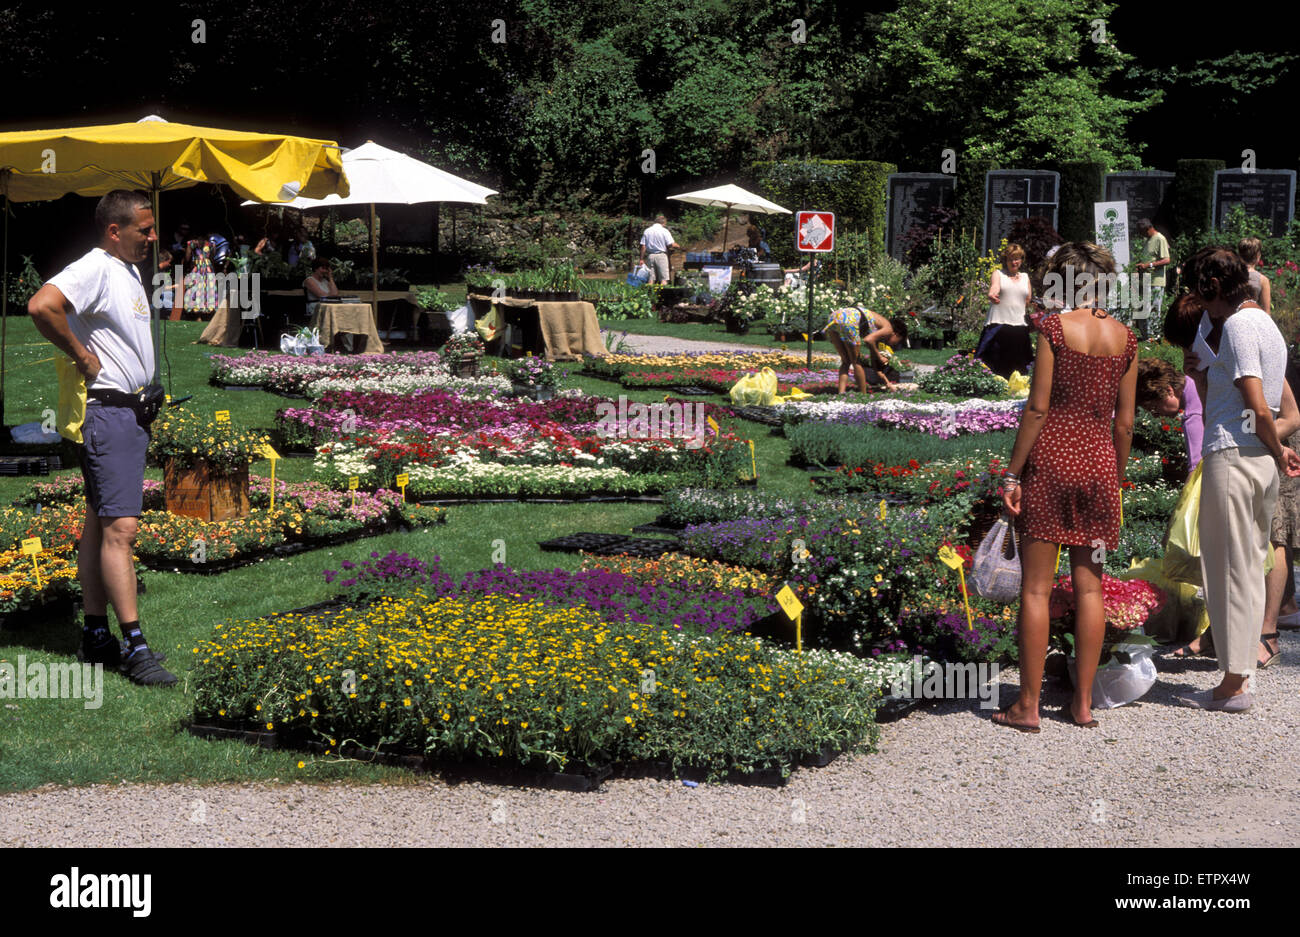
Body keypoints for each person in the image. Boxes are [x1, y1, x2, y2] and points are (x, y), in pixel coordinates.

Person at [25, 189, 177, 686]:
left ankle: (95, 635)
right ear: (115, 231)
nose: (153, 237)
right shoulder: (95, 267)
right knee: (121, 530)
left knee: (99, 523)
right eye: (144, 230)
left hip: (127, 415)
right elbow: (42, 305)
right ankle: (135, 646)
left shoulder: (125, 269)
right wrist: (82, 355)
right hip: (109, 414)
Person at [995, 241, 1138, 732]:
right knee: (1090, 588)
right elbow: (1125, 424)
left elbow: (1037, 408)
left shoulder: (1054, 329)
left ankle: (1027, 705)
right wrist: (1115, 477)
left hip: (1052, 464)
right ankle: (1083, 704)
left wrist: (1012, 473)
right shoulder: (1126, 338)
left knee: (1036, 589)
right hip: (1099, 468)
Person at [1175, 246, 1300, 712]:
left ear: (1211, 287)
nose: (1196, 301)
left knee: (1227, 570)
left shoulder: (1239, 325)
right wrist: (1276, 447)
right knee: (1246, 568)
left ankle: (1232, 684)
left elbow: (1256, 403)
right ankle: (1239, 675)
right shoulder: (1267, 324)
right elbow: (1263, 406)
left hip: (1234, 458)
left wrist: (1275, 446)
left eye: (1197, 290)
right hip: (1255, 459)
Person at [976, 242, 1034, 379]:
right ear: (1005, 260)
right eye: (1010, 259)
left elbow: (1028, 300)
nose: (1014, 262)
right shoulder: (998, 274)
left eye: (1017, 258)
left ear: (1021, 260)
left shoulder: (1025, 277)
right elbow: (994, 288)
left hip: (1019, 327)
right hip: (998, 325)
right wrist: (992, 295)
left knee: (1020, 370)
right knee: (991, 368)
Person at [823, 306, 908, 393]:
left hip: (834, 317)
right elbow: (868, 340)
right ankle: (863, 394)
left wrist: (887, 383)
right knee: (856, 362)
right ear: (896, 334)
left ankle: (841, 393)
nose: (894, 344)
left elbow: (874, 364)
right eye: (898, 341)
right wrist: (880, 357)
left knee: (846, 361)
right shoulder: (888, 329)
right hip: (849, 319)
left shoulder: (879, 332)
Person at [1134, 218, 1171, 339]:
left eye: (1141, 232)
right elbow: (1148, 259)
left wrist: (1148, 265)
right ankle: (1146, 336)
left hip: (1156, 281)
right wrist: (1140, 266)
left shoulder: (1160, 238)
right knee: (1145, 308)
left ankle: (1154, 337)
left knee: (1154, 308)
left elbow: (1166, 260)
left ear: (1148, 229)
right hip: (1146, 280)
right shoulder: (1147, 240)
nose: (1141, 235)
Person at [183, 232, 219, 317]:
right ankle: (202, 311)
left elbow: (187, 258)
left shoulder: (194, 244)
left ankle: (201, 312)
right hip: (204, 268)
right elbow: (212, 259)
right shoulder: (210, 245)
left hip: (201, 268)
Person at [639, 214, 679, 285]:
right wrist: (678, 246)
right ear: (663, 223)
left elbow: (643, 246)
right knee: (664, 279)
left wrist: (641, 259)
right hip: (661, 256)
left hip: (650, 256)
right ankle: (663, 291)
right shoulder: (664, 231)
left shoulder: (647, 231)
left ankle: (649, 291)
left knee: (650, 279)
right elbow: (671, 244)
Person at [1238, 237, 1272, 313]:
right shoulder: (1263, 280)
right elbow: (1267, 311)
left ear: (1240, 255)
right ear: (1258, 256)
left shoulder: (1231, 275)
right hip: (1252, 316)